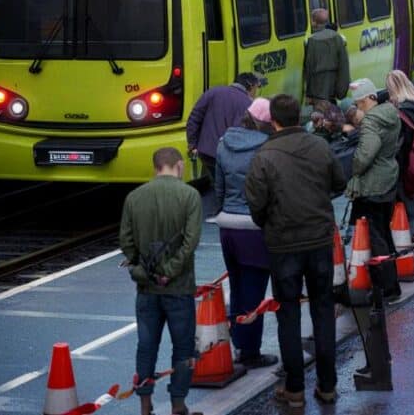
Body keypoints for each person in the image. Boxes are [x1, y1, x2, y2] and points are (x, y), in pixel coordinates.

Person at [245, 94, 347, 406]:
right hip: (318, 239)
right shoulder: (319, 146)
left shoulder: (265, 154)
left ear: (271, 120)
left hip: (283, 243)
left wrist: (269, 223)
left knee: (287, 313)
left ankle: (295, 388)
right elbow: (339, 183)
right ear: (298, 116)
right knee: (322, 309)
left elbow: (256, 202)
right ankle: (327, 385)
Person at [119, 147, 202, 415]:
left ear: (156, 167)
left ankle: (145, 404)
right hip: (179, 287)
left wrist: (143, 270)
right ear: (178, 165)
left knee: (146, 346)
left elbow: (126, 242)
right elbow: (190, 243)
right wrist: (170, 270)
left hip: (146, 289)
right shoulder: (190, 196)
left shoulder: (134, 197)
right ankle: (178, 404)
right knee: (183, 348)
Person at [212, 98, 278, 369]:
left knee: (238, 287)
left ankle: (240, 342)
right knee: (254, 292)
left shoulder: (223, 143)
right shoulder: (266, 148)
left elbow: (218, 187)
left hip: (227, 226)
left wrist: (223, 212)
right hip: (253, 227)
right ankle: (250, 351)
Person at [346, 77, 404, 301]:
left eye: (360, 103)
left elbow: (366, 154)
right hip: (389, 177)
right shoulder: (391, 115)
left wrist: (355, 166)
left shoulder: (371, 122)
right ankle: (392, 282)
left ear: (370, 99)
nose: (359, 108)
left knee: (376, 237)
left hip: (373, 184)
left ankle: (387, 288)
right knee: (384, 233)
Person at [186, 72, 262, 184]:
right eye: (256, 88)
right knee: (227, 187)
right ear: (251, 86)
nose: (256, 92)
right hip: (230, 155)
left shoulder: (213, 92)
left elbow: (194, 118)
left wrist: (192, 143)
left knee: (215, 183)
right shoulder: (248, 103)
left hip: (206, 152)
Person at [387, 69, 414, 233]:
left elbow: (397, 145)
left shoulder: (399, 113)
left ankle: (409, 237)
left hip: (405, 166)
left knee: (406, 202)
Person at [304, 8, 350, 110]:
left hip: (318, 88)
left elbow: (309, 67)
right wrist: (342, 89)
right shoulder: (338, 38)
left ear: (314, 22)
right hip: (334, 84)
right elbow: (344, 64)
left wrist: (309, 94)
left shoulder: (311, 40)